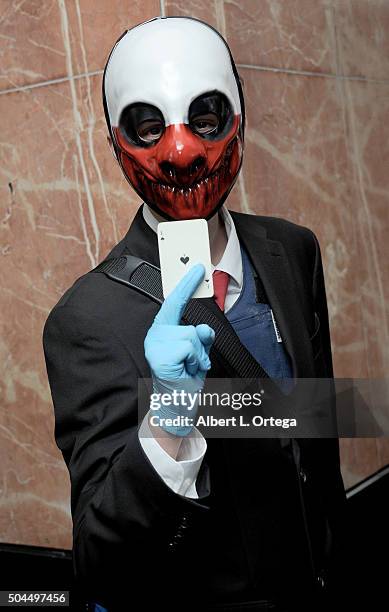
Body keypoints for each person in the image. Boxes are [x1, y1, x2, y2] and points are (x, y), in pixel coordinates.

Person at [42, 16, 347, 612]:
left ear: (240, 116)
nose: (181, 151)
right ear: (115, 141)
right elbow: (102, 561)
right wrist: (170, 420)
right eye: (148, 126)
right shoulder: (86, 320)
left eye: (205, 116)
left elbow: (317, 439)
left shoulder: (292, 251)